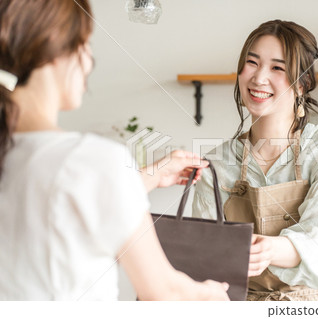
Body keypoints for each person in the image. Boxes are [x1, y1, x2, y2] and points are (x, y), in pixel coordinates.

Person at [0, 0, 229, 301]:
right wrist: (213, 294)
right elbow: (165, 292)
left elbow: (68, 197)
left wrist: (150, 175)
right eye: (85, 45)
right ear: (56, 51)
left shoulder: (21, 154)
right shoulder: (91, 159)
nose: (90, 60)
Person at [192, 20, 318, 301]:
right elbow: (203, 254)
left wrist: (268, 250)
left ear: (303, 83)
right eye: (252, 63)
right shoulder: (217, 163)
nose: (258, 78)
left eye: (277, 68)